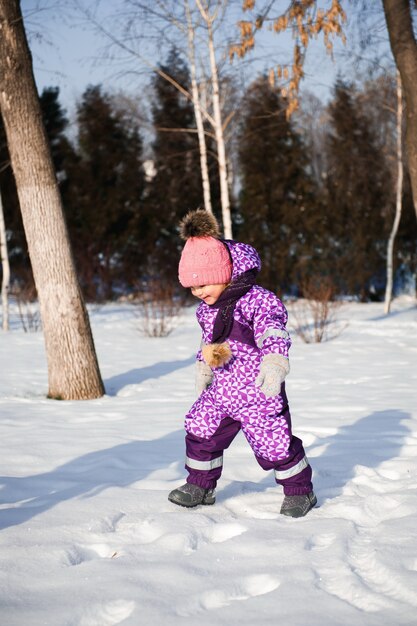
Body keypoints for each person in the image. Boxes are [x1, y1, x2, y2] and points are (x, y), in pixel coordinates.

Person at [168, 209, 316, 518]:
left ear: (223, 274)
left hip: (258, 390)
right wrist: (204, 365)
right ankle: (201, 485)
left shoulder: (257, 300)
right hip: (222, 390)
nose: (198, 293)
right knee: (200, 430)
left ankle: (300, 491)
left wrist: (275, 362)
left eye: (203, 285)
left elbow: (273, 329)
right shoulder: (207, 309)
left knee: (275, 444)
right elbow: (211, 343)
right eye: (192, 288)